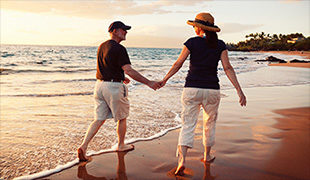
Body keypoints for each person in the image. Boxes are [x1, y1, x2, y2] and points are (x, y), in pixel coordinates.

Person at [160, 13, 246, 175]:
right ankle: (206, 156)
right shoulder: (220, 44)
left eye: (194, 26)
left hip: (192, 88)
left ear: (199, 28)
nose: (193, 28)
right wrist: (239, 90)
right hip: (212, 90)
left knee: (188, 124)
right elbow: (228, 68)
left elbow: (178, 63)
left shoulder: (191, 42)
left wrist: (165, 79)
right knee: (210, 123)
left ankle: (182, 161)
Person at [77, 21, 161, 162]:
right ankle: (121, 145)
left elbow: (108, 66)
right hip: (113, 88)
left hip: (99, 86)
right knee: (122, 117)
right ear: (115, 31)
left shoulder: (102, 46)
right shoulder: (119, 49)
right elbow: (128, 69)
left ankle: (83, 147)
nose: (126, 32)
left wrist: (122, 77)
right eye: (123, 30)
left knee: (98, 119)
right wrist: (149, 82)